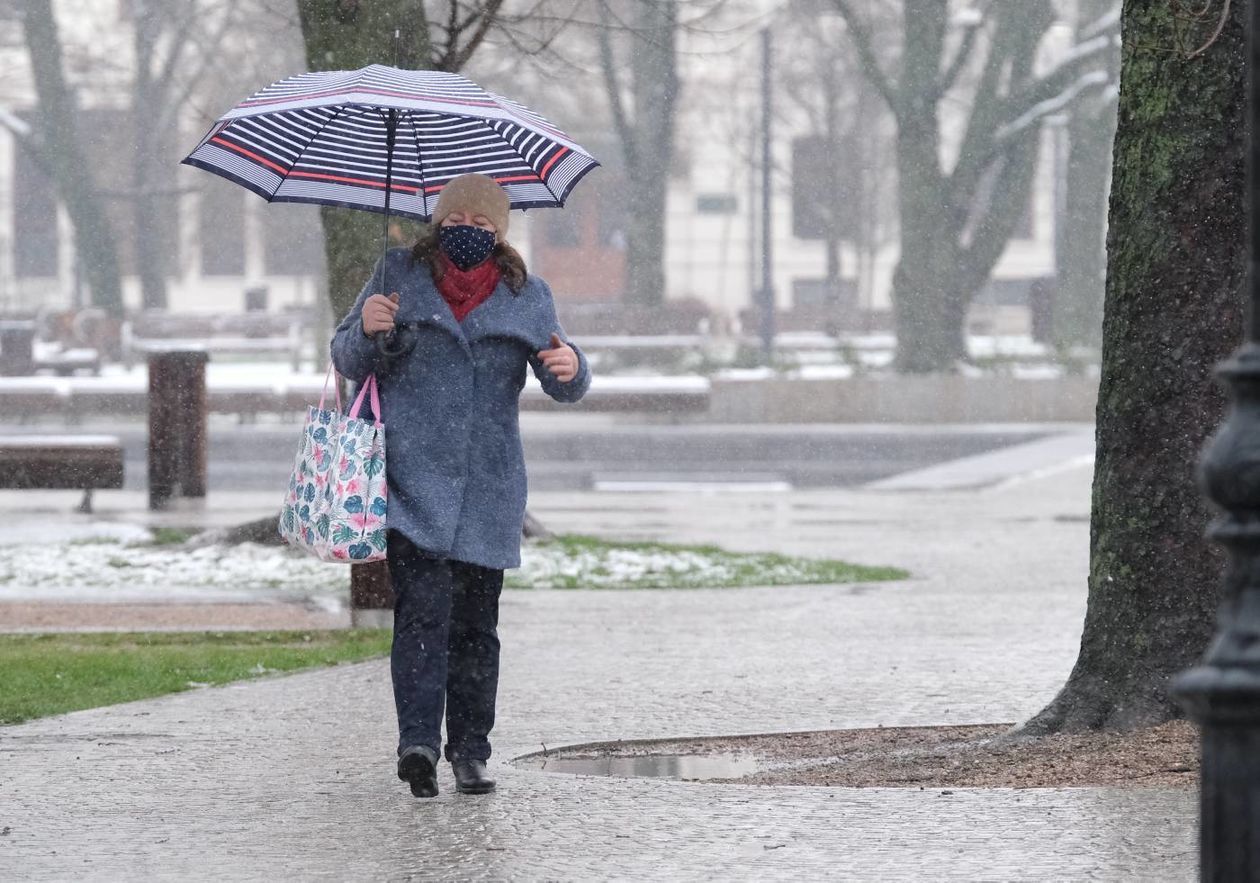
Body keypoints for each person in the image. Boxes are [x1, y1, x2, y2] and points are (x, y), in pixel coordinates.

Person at [330, 174, 591, 798]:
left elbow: (562, 378)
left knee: (476, 627)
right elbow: (346, 358)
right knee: (421, 617)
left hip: (489, 488)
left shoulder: (528, 296)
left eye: (483, 225)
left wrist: (573, 367)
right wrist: (367, 328)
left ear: (499, 235)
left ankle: (470, 751)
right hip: (411, 484)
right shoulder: (395, 276)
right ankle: (417, 744)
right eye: (457, 221)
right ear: (437, 223)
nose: (468, 232)